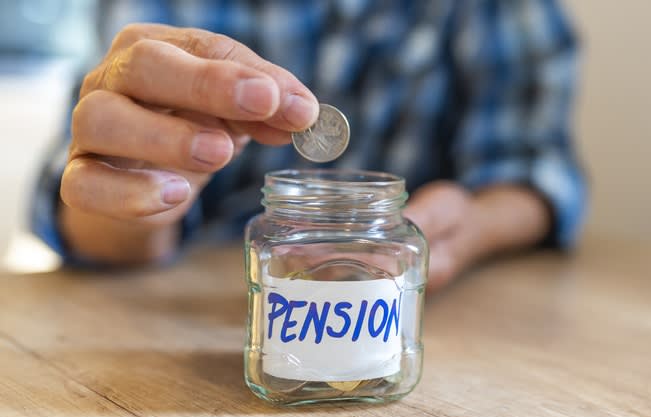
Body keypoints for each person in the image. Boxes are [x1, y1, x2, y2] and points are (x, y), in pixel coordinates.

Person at [32, 0, 586, 293]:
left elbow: (538, 166)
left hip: (440, 304)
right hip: (178, 297)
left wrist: (473, 227)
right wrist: (139, 190)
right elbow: (86, 208)